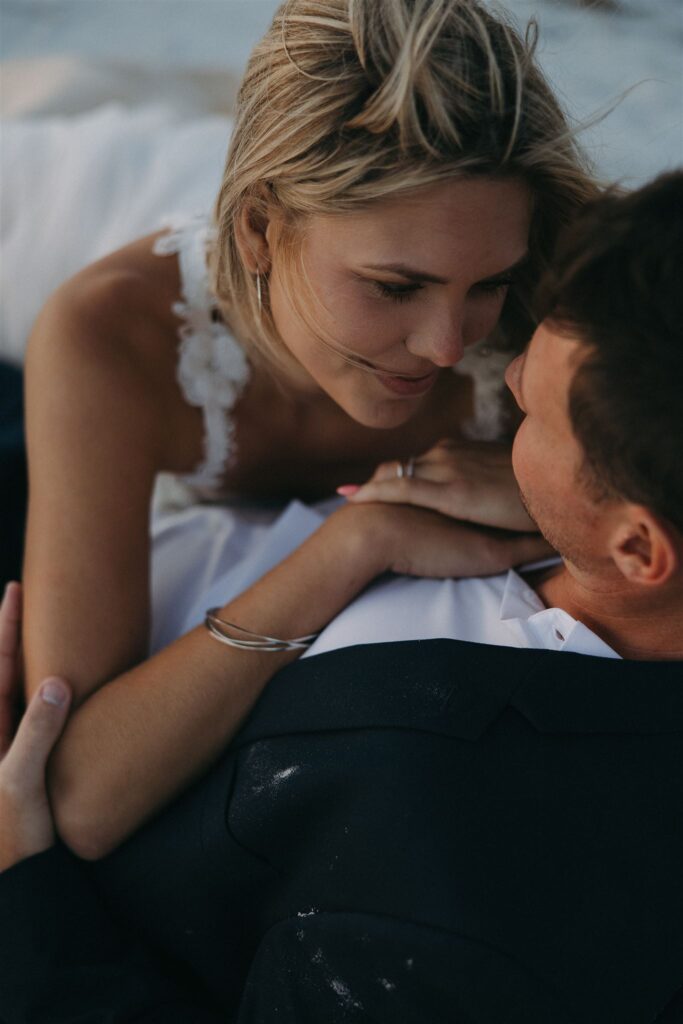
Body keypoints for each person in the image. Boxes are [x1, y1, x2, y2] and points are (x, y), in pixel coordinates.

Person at [2, 172, 682, 1023]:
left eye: (539, 416)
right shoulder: (599, 503)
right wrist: (371, 535)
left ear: (639, 547)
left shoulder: (459, 898)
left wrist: (18, 893)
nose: (501, 381)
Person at [20, 0, 597, 861]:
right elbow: (81, 795)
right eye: (395, 287)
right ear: (258, 229)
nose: (447, 344)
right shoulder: (110, 339)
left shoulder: (561, 275)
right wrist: (354, 543)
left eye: (489, 284)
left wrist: (569, 493)